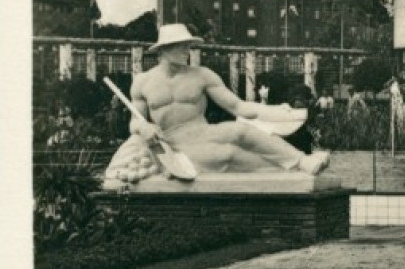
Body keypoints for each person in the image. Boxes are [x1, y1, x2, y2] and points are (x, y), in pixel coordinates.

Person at [127, 24, 330, 174]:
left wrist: (278, 111)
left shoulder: (202, 75)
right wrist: (143, 127)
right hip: (173, 142)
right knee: (227, 153)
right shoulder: (143, 82)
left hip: (202, 131)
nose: (187, 52)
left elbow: (238, 106)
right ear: (163, 49)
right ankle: (286, 171)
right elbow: (135, 121)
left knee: (240, 129)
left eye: (188, 46)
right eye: (180, 46)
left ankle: (301, 161)